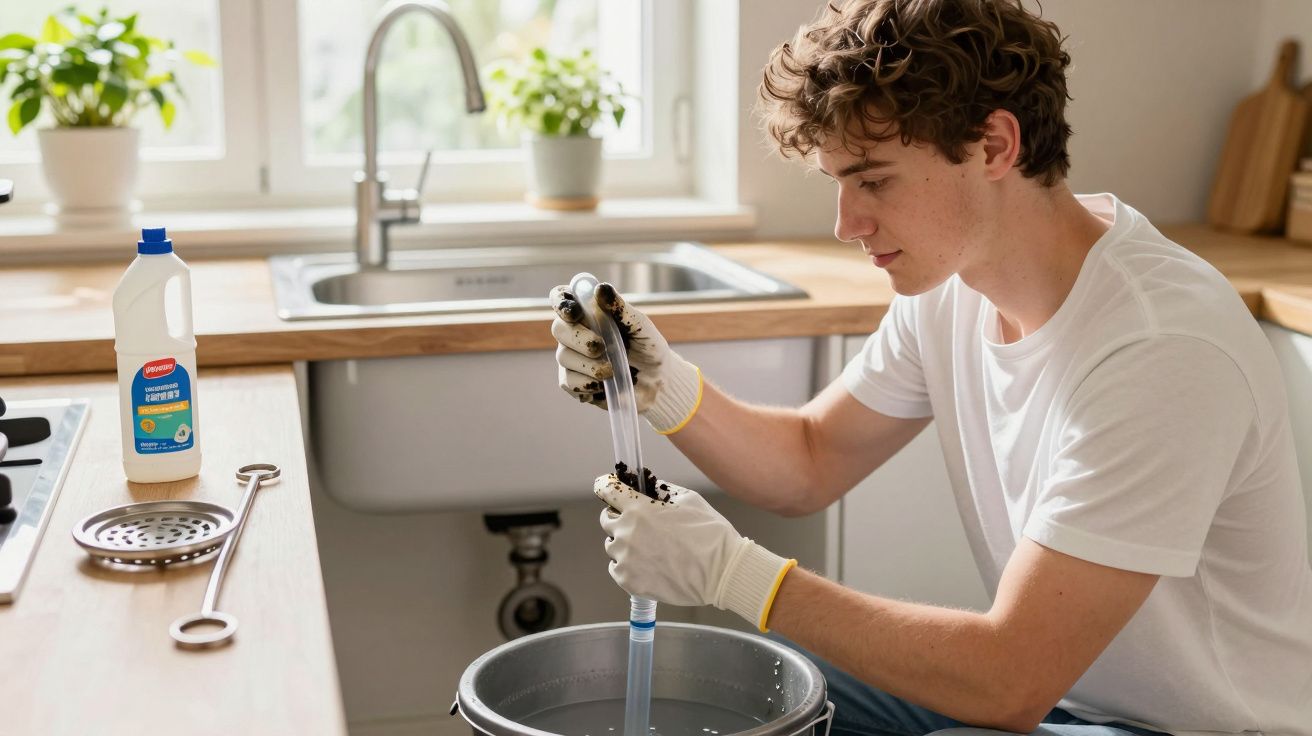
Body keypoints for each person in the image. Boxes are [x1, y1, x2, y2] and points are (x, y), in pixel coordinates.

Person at [548, 1, 1312, 734]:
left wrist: (729, 573)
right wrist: (663, 385)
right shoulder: (952, 283)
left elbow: (1007, 679)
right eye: (839, 184)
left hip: (1189, 727)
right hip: (1059, 701)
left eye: (873, 180)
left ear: (995, 147)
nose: (847, 225)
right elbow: (812, 459)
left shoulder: (1158, 347)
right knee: (760, 683)